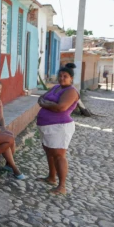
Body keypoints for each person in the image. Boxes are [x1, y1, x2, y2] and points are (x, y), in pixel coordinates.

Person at [37, 62, 80, 195]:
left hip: (60, 127)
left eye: (65, 76)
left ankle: (62, 186)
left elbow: (61, 107)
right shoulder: (56, 87)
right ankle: (51, 177)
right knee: (49, 152)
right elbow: (40, 99)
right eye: (60, 75)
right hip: (46, 126)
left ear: (71, 78)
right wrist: (50, 104)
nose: (62, 78)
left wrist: (46, 104)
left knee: (59, 155)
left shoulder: (71, 91)